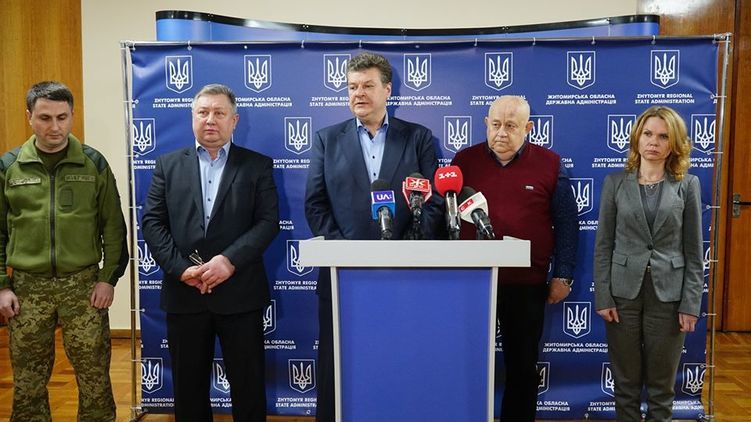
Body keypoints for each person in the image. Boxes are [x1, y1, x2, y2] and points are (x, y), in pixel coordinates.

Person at [304, 52, 441, 422]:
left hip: (406, 274)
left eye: (367, 85)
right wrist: (346, 254)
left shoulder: (417, 138)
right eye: (352, 87)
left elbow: (433, 202)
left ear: (387, 90)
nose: (358, 94)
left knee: (401, 361)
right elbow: (315, 204)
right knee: (339, 364)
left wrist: (406, 251)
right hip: (342, 275)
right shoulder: (326, 140)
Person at [142, 83, 280, 422]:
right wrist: (181, 269)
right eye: (203, 112)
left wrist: (228, 262)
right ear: (192, 117)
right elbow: (152, 223)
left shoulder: (257, 165)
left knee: (248, 386)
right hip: (185, 293)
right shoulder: (167, 165)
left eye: (219, 113)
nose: (210, 120)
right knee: (188, 388)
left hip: (240, 293)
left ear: (234, 120)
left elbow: (267, 222)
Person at [0, 81, 128, 421]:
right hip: (27, 288)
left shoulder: (92, 163)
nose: (54, 127)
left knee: (94, 376)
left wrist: (108, 279)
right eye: (45, 118)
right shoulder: (9, 166)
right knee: (27, 381)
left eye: (62, 117)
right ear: (29, 116)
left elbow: (113, 227)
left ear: (72, 115)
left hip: (83, 286)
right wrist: (2, 286)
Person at [451, 95, 578, 422]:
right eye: (495, 124)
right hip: (472, 282)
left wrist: (563, 274)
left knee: (522, 365)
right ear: (485, 124)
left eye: (511, 126)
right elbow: (446, 220)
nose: (501, 133)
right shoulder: (463, 161)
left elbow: (566, 222)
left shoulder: (550, 163)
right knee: (462, 360)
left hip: (525, 283)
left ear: (528, 128)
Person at [594, 105, 703, 421]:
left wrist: (690, 304)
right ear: (637, 138)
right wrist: (604, 296)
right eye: (648, 134)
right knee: (625, 384)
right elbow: (603, 245)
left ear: (675, 143)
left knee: (662, 387)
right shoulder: (615, 183)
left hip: (669, 297)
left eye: (663, 136)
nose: (653, 142)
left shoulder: (688, 185)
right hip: (622, 297)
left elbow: (694, 251)